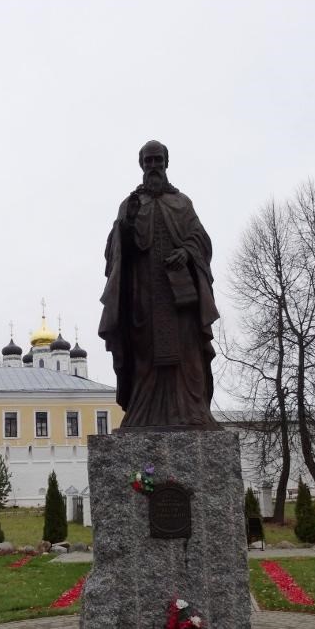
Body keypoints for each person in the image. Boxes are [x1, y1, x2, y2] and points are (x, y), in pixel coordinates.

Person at [99, 140, 221, 429]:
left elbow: (201, 239)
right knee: (145, 357)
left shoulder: (182, 203)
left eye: (158, 160)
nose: (153, 166)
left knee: (188, 355)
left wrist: (187, 251)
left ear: (166, 163)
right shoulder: (130, 204)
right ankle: (143, 414)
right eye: (148, 161)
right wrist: (124, 228)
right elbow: (114, 254)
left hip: (180, 299)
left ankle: (193, 412)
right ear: (141, 165)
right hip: (144, 295)